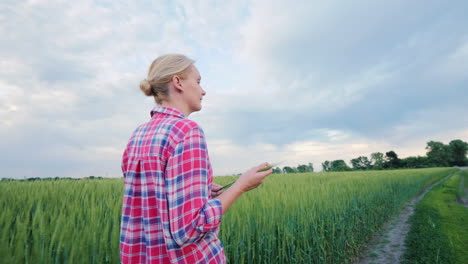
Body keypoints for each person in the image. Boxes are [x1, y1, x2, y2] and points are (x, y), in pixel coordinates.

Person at [120, 54, 273, 264]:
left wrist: (198, 190)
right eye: (198, 81)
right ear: (178, 82)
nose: (203, 90)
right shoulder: (186, 131)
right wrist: (240, 186)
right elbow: (190, 229)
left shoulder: (138, 134)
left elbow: (151, 197)